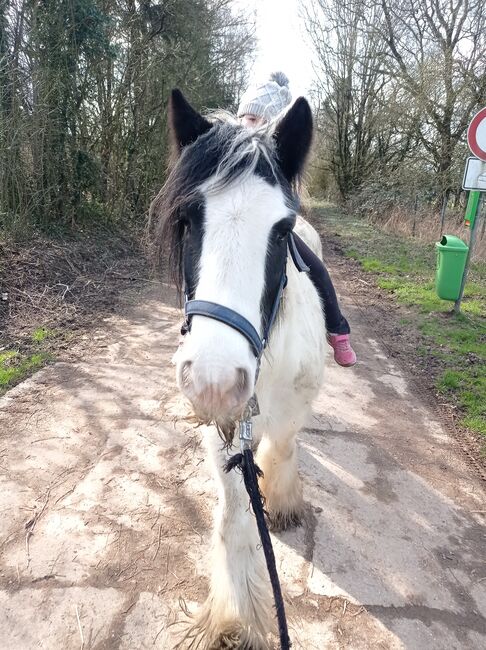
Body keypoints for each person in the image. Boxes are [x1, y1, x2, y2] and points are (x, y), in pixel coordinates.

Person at [237, 72, 357, 367]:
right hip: (236, 229)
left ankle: (337, 330)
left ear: (271, 123)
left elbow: (291, 199)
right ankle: (188, 330)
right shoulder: (231, 151)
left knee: (317, 269)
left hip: (270, 230)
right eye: (246, 118)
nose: (249, 125)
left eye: (257, 120)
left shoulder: (279, 156)